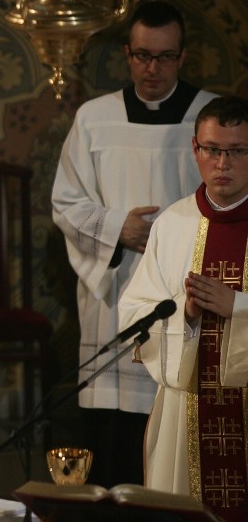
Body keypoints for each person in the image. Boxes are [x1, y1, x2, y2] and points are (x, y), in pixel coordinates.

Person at [51, 0, 218, 486]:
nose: (153, 69)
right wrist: (115, 227)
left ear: (182, 57)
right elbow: (65, 201)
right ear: (127, 54)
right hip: (117, 282)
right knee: (114, 432)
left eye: (165, 57)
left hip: (186, 288)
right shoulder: (94, 118)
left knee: (177, 422)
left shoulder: (210, 120)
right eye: (143, 55)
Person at [119, 96, 248, 521]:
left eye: (236, 151)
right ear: (195, 149)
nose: (222, 163)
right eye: (212, 149)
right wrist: (184, 314)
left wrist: (239, 307)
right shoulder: (173, 225)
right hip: (187, 412)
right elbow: (136, 313)